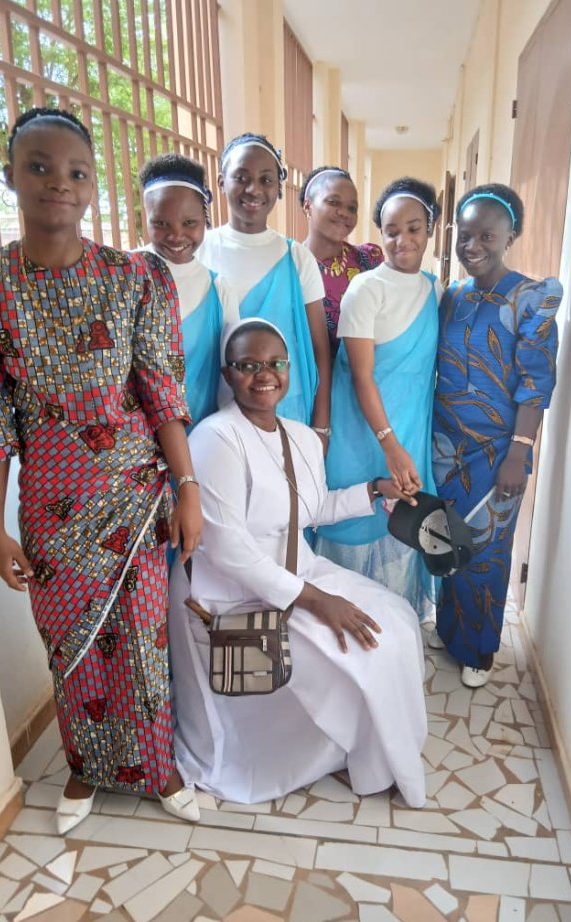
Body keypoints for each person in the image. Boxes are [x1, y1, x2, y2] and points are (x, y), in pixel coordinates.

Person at [0, 107, 204, 834]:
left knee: (142, 638)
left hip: (136, 492)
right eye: (39, 167)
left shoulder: (134, 277)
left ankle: (158, 768)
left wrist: (188, 488)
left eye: (76, 171)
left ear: (93, 186)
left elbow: (162, 393)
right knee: (70, 643)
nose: (58, 182)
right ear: (11, 175)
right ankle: (86, 766)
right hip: (50, 501)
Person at [168, 319, 428, 806]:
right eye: (248, 365)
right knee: (361, 650)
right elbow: (227, 549)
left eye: (275, 363)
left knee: (396, 621)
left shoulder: (301, 437)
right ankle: (348, 751)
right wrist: (317, 602)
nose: (264, 375)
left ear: (289, 370)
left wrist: (376, 490)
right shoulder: (216, 438)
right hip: (233, 592)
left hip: (296, 570)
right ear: (227, 374)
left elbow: (312, 509)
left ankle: (376, 753)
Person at [431, 183, 562, 687]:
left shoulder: (531, 299)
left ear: (511, 236)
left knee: (484, 552)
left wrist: (519, 452)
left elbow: (536, 382)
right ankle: (450, 629)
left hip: (499, 450)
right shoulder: (452, 296)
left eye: (487, 235)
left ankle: (480, 651)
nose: (473, 246)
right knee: (446, 540)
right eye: (465, 235)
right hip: (447, 445)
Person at [315, 178, 441, 618]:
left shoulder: (434, 289)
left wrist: (402, 447)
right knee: (354, 538)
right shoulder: (366, 289)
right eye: (391, 231)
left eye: (414, 228)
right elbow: (361, 375)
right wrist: (389, 444)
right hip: (364, 436)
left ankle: (394, 636)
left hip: (410, 436)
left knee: (401, 535)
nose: (403, 240)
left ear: (430, 229)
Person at [196, 133, 331, 440]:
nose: (253, 189)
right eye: (241, 177)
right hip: (212, 410)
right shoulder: (200, 251)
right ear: (221, 182)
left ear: (278, 187)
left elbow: (320, 351)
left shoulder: (296, 258)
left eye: (266, 179)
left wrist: (321, 426)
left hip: (286, 409)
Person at [139, 152, 238, 428]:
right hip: (138, 442)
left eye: (189, 223)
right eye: (161, 223)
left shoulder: (218, 289)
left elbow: (229, 379)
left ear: (205, 218)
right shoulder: (127, 276)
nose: (176, 235)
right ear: (146, 216)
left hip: (201, 435)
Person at [301, 165, 383, 358]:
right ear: (308, 206)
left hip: (364, 373)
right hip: (308, 374)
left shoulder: (368, 260)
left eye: (352, 208)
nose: (344, 213)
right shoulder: (293, 265)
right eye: (333, 202)